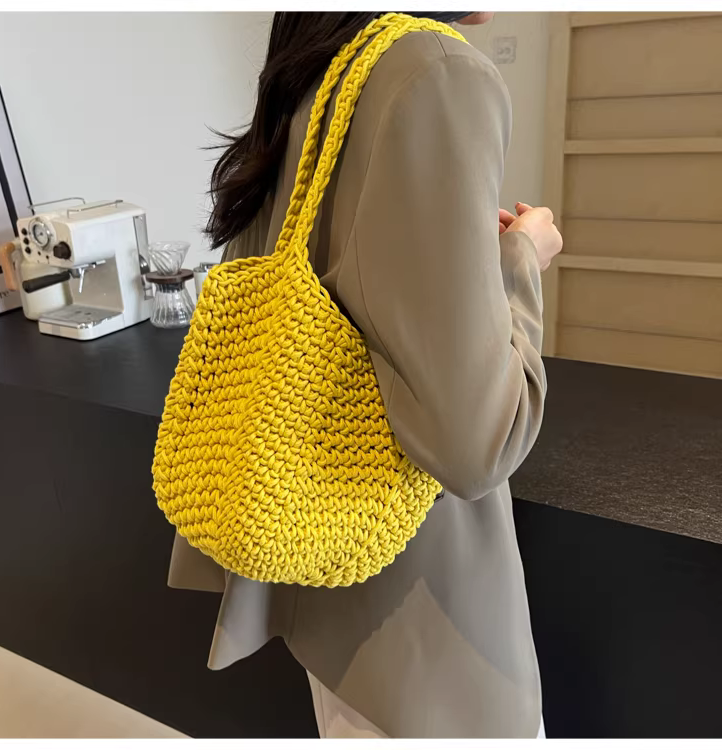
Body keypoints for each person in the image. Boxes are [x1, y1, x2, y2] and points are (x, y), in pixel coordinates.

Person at [167, 11, 563, 738]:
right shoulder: (438, 70)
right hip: (427, 624)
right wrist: (519, 262)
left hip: (329, 594)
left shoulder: (317, 70)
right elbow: (478, 446)